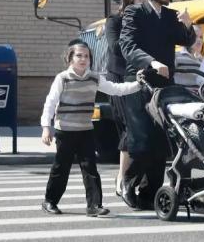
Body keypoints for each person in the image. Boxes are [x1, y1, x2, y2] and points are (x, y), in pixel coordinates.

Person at [119, 0, 196, 209]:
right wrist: (151, 62)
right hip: (138, 82)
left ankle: (150, 193)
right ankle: (127, 184)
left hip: (164, 87)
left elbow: (187, 41)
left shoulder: (171, 15)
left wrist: (189, 26)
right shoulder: (134, 13)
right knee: (140, 141)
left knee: (159, 141)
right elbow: (127, 45)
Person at [40, 41, 142, 217]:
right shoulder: (62, 78)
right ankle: (50, 201)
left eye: (86, 56)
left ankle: (94, 206)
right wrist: (46, 128)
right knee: (61, 168)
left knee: (90, 169)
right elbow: (50, 103)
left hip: (86, 130)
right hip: (65, 131)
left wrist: (138, 84)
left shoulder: (94, 78)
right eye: (79, 55)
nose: (83, 59)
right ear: (70, 58)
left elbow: (115, 89)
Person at [105, 0, 146, 197]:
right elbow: (115, 47)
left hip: (139, 78)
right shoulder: (114, 21)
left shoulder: (147, 21)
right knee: (129, 127)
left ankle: (132, 177)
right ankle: (123, 178)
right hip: (119, 78)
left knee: (140, 130)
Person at [174, 24, 204, 92]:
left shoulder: (202, 60)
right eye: (195, 36)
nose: (199, 40)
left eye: (201, 37)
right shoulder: (177, 56)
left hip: (201, 98)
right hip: (183, 97)